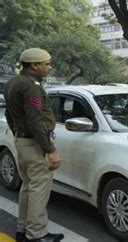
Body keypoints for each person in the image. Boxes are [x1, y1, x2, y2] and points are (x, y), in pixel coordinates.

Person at [4, 48, 64, 242]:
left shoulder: (12, 83)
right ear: (34, 65)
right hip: (34, 143)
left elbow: (8, 115)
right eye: (46, 64)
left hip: (23, 141)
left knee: (29, 188)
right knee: (39, 189)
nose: (50, 67)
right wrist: (50, 150)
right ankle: (37, 234)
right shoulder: (31, 86)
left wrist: (18, 136)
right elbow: (35, 121)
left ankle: (23, 229)